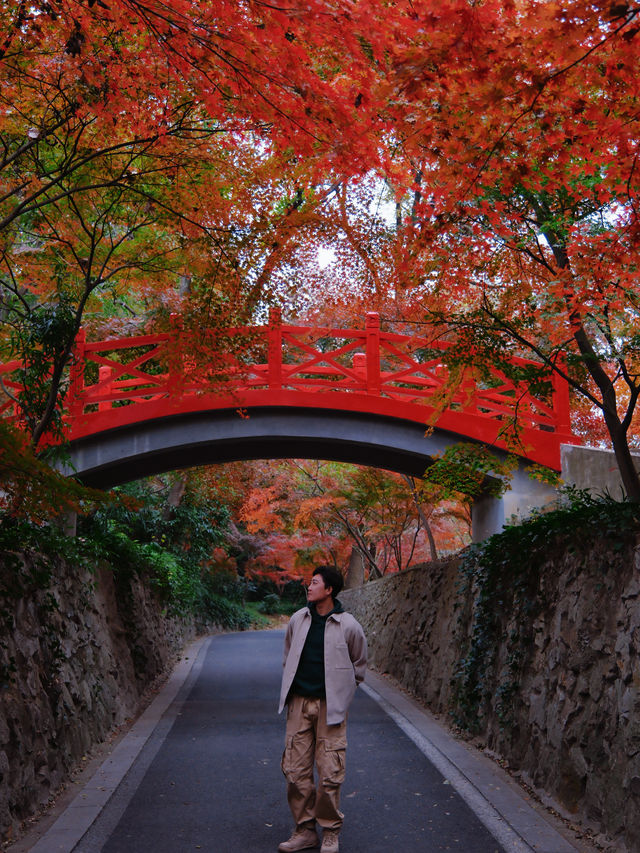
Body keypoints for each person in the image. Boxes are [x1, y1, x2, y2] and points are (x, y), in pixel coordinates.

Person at [277, 565, 367, 853]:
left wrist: (342, 695)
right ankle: (304, 830)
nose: (309, 586)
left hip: (331, 707)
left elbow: (359, 665)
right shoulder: (297, 620)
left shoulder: (348, 625)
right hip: (299, 704)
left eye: (315, 583)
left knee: (330, 772)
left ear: (329, 590)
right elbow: (287, 656)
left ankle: (330, 831)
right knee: (295, 771)